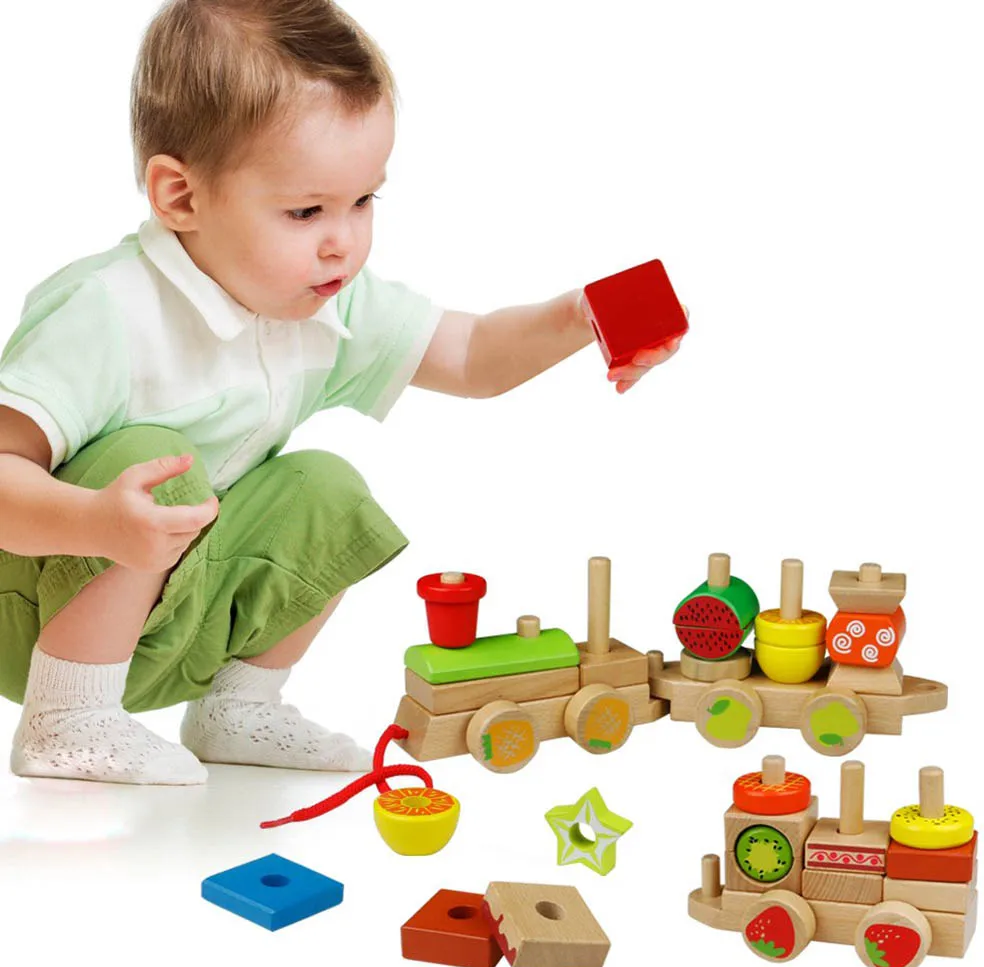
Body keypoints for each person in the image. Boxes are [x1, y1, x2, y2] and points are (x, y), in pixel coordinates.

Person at [0, 0, 681, 785]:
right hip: (34, 619)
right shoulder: (107, 311)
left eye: (363, 201)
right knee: (159, 461)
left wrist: (577, 318)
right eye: (306, 211)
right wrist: (95, 522)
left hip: (175, 627)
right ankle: (65, 720)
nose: (344, 242)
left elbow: (470, 355)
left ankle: (237, 706)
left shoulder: (324, 304)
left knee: (326, 486)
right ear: (181, 197)